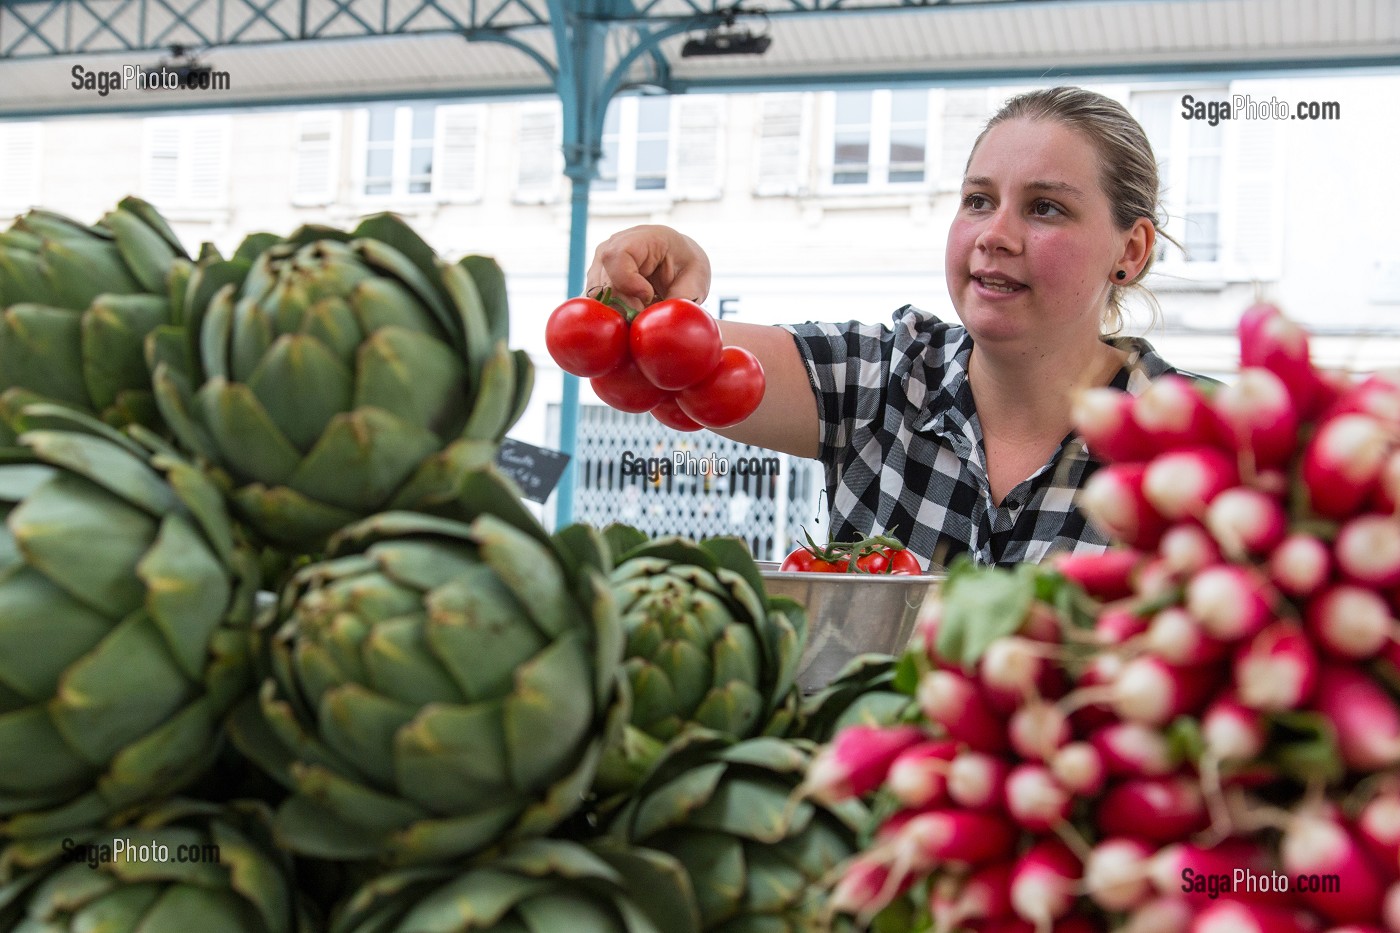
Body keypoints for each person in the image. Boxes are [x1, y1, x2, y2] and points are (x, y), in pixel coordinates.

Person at [586, 86, 1190, 569]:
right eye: (978, 200)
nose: (994, 235)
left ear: (1130, 250)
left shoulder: (1196, 440)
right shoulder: (880, 378)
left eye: (1045, 208)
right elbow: (636, 349)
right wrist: (657, 285)